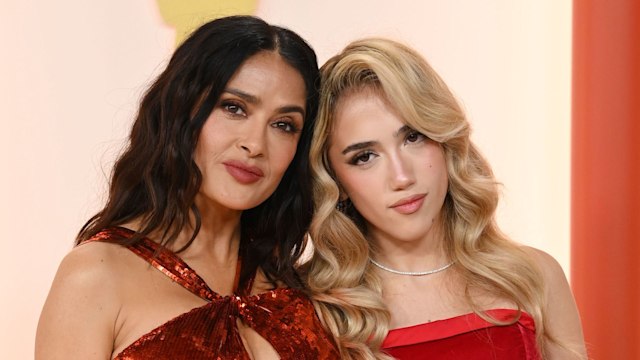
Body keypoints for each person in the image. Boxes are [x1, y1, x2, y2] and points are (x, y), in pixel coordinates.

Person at [35, 15, 339, 359]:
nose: (255, 144)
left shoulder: (298, 289)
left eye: (284, 124)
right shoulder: (95, 276)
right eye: (233, 108)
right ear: (182, 111)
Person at [304, 38, 587, 359]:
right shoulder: (310, 311)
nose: (402, 177)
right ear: (335, 180)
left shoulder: (534, 276)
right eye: (365, 156)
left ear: (443, 138)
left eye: (413, 137)